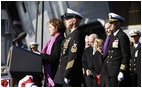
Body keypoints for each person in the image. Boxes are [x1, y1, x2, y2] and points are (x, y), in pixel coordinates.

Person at [54, 8, 85, 87]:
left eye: (67, 19)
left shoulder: (77, 34)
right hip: (63, 74)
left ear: (74, 21)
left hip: (71, 75)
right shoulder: (70, 36)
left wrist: (68, 73)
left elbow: (73, 56)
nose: (65, 21)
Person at [103, 13, 131, 87]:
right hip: (111, 72)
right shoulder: (112, 36)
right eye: (110, 22)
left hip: (117, 71)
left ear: (118, 23)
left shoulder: (122, 36)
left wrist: (122, 71)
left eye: (112, 22)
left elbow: (126, 56)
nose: (110, 24)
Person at [38, 18, 65, 87]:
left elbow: (54, 58)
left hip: (56, 76)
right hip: (53, 75)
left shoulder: (59, 40)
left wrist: (40, 54)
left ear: (56, 27)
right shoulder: (52, 40)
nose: (48, 29)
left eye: (50, 27)